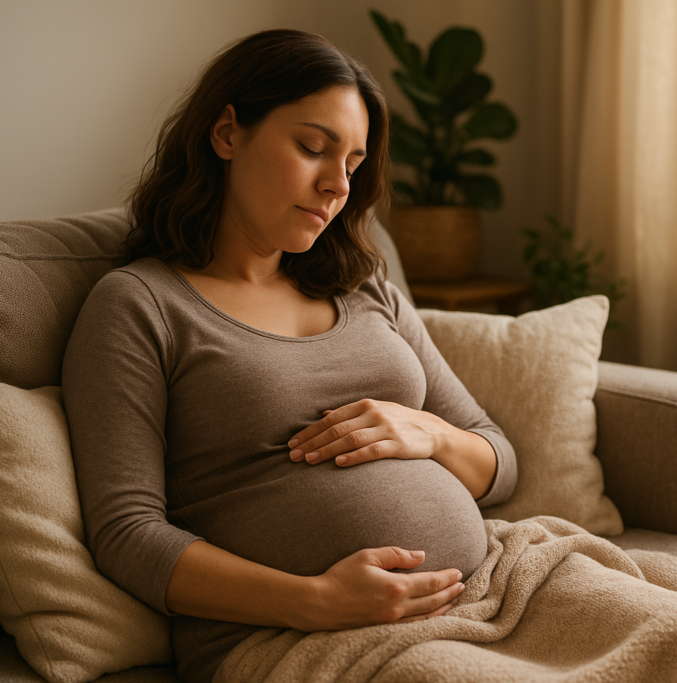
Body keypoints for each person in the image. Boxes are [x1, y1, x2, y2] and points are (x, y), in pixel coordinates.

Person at [61, 29, 516, 683]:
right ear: (227, 134)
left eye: (353, 164)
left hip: (487, 589)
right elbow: (126, 533)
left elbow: (498, 461)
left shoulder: (362, 283)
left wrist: (429, 432)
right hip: (297, 636)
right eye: (312, 148)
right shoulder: (140, 305)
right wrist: (315, 601)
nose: (337, 185)